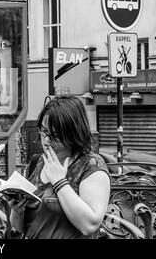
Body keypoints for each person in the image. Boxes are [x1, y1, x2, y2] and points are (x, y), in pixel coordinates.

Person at [8, 95, 111, 239]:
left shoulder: (90, 165)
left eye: (55, 135)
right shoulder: (37, 162)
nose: (47, 141)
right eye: (44, 131)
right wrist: (17, 211)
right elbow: (23, 227)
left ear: (73, 133)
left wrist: (59, 183)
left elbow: (90, 225)